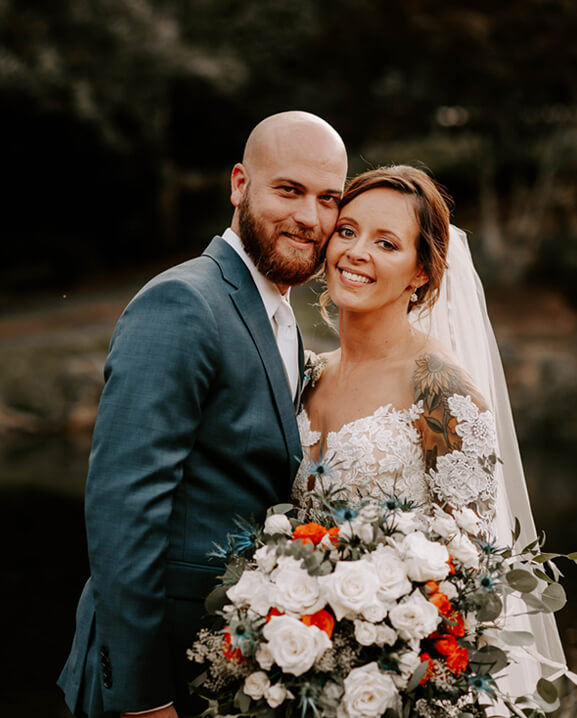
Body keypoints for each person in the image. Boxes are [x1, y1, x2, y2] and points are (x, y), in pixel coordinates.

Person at [57, 110, 348, 718]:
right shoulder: (184, 302)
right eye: (289, 190)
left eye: (328, 199)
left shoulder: (280, 317)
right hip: (159, 679)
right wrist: (143, 699)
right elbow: (124, 509)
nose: (311, 217)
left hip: (235, 667)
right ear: (240, 185)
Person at [292, 165, 567, 707]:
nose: (356, 252)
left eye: (386, 243)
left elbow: (474, 573)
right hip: (304, 672)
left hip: (409, 687)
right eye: (347, 231)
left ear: (420, 272)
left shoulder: (440, 387)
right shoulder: (306, 374)